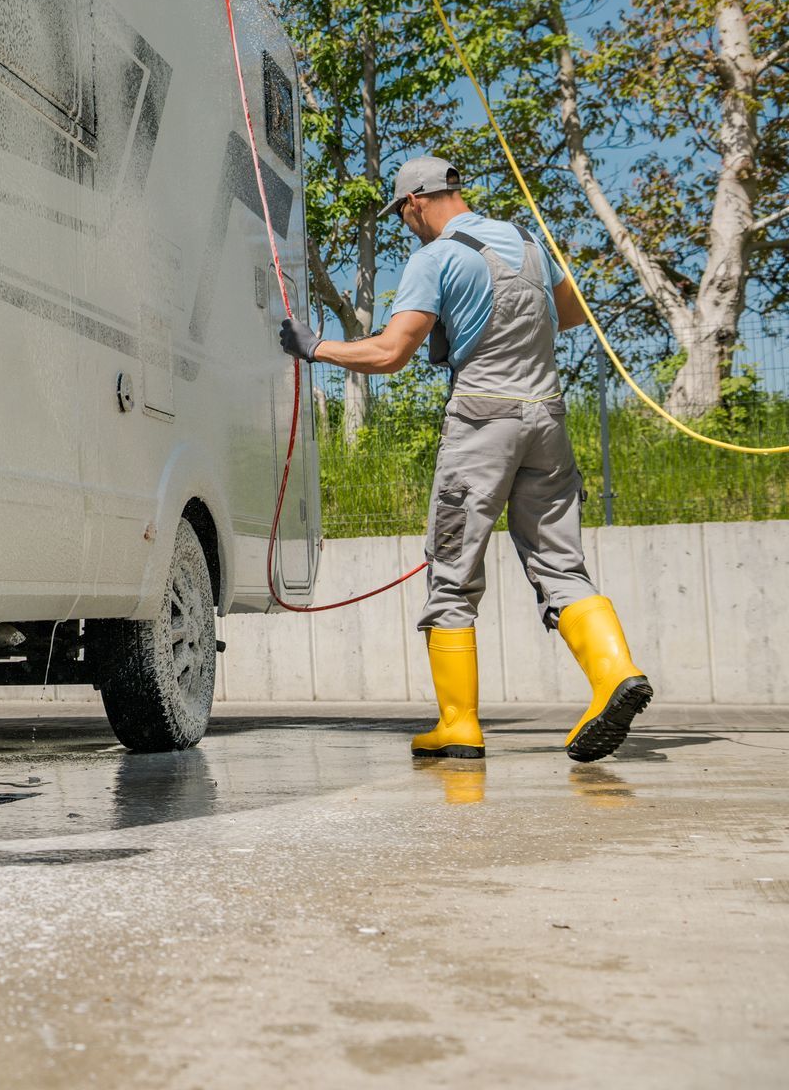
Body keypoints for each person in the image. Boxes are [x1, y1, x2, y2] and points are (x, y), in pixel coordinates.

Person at [278, 155, 653, 763]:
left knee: (451, 577)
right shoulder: (528, 242)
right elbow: (571, 314)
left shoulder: (436, 257)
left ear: (417, 201)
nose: (406, 226)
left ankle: (459, 726)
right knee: (562, 565)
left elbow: (393, 352)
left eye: (402, 214)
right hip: (547, 420)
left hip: (482, 423)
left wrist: (315, 347)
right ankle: (616, 673)